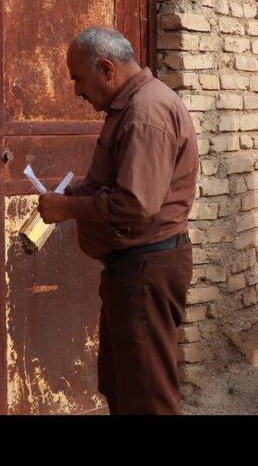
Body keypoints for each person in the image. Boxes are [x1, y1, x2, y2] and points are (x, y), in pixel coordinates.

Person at [36, 27, 198, 415]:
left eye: (78, 78)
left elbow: (134, 203)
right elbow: (117, 183)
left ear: (106, 68)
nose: (76, 90)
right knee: (124, 385)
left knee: (146, 395)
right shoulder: (130, 107)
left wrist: (67, 209)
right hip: (132, 268)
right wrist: (75, 193)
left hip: (146, 269)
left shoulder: (146, 112)